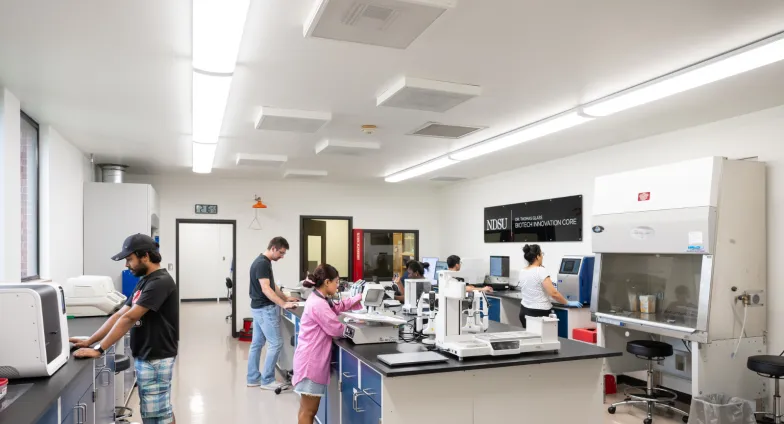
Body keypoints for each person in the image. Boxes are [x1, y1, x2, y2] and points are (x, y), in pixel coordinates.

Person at [72, 234, 179, 424]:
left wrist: (99, 349)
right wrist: (91, 341)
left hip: (157, 356)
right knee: (155, 412)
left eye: (130, 259)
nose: (127, 265)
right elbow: (119, 314)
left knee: (158, 415)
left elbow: (130, 318)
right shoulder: (145, 280)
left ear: (145, 256)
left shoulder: (160, 282)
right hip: (148, 354)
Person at [293, 264, 363, 424]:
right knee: (309, 412)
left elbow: (337, 307)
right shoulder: (318, 304)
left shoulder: (319, 298)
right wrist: (362, 330)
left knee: (305, 409)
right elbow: (336, 329)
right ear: (326, 282)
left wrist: (357, 298)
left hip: (308, 360)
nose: (338, 286)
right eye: (336, 282)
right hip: (310, 364)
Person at [247, 236, 300, 391]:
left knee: (257, 344)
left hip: (257, 308)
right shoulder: (262, 264)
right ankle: (267, 380)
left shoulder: (262, 261)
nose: (282, 256)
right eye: (281, 253)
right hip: (265, 309)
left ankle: (252, 378)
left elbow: (272, 285)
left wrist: (286, 297)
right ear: (273, 248)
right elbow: (266, 289)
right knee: (276, 343)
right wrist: (283, 304)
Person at [518, 244, 582, 328]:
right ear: (538, 256)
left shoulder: (523, 270)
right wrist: (567, 302)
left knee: (531, 339)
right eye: (541, 254)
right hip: (538, 314)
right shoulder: (541, 271)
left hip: (524, 311)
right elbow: (554, 293)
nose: (542, 257)